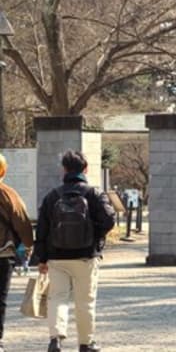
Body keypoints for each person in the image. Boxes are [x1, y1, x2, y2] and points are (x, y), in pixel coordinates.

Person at [35, 150, 115, 352]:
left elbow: (42, 230)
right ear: (85, 169)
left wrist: (41, 258)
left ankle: (56, 339)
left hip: (56, 256)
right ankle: (86, 343)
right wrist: (94, 235)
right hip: (86, 256)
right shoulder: (94, 194)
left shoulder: (52, 196)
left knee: (57, 297)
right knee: (85, 300)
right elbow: (109, 219)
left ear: (64, 169)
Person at [0, 154, 34, 352]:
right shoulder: (8, 194)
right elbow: (22, 222)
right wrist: (28, 246)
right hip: (3, 253)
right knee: (0, 298)